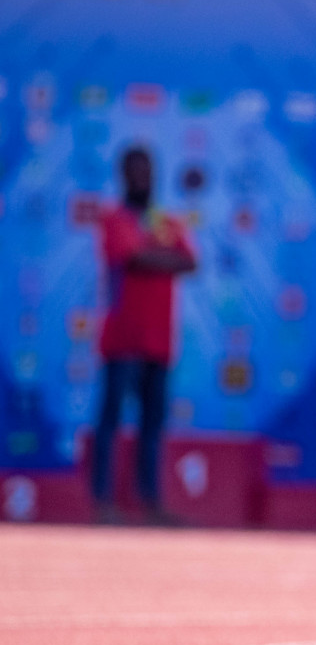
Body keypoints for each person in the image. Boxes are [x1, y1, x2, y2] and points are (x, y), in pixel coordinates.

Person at [92, 146, 196, 523]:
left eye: (146, 170)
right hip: (122, 339)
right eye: (134, 170)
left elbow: (189, 260)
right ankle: (103, 503)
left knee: (153, 427)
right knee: (110, 422)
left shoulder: (164, 221)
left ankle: (150, 504)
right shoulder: (113, 218)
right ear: (122, 175)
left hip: (159, 341)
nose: (141, 177)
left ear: (155, 174)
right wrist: (158, 255)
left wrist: (151, 253)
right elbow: (130, 257)